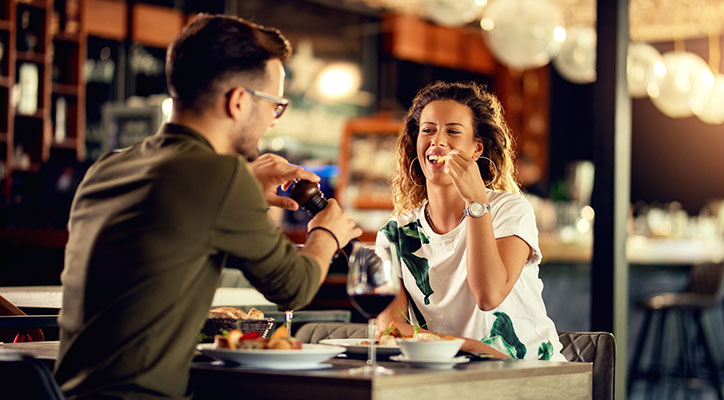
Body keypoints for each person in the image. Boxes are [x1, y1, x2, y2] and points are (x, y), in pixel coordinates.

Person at [55, 14, 361, 399]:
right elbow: (293, 288)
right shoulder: (220, 176)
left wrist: (245, 184)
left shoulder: (111, 165)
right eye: (275, 105)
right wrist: (326, 233)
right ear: (237, 101)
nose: (272, 120)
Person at [376, 81, 565, 361]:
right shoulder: (395, 234)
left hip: (530, 375)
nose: (437, 141)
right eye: (427, 130)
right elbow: (391, 331)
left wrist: (477, 203)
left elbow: (488, 296)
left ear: (477, 149)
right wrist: (475, 348)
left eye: (452, 131)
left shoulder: (510, 210)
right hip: (451, 376)